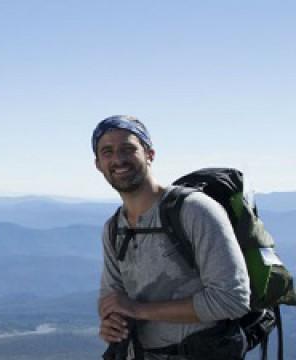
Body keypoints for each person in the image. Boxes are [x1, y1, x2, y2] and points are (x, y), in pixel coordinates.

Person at [92, 115, 251, 359]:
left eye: (128, 149)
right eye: (107, 152)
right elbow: (113, 301)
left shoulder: (194, 211)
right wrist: (112, 322)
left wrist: (137, 309)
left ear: (150, 154)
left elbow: (232, 299)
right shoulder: (114, 228)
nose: (118, 159)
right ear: (98, 164)